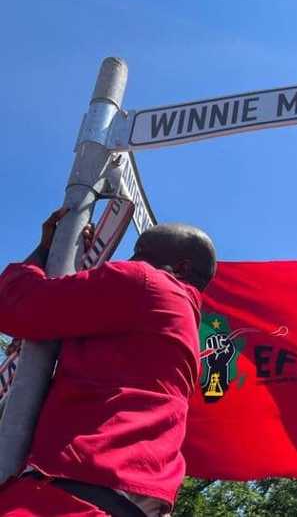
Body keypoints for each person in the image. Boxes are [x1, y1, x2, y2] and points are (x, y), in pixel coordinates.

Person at [0, 209, 216, 516]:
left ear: (180, 267)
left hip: (74, 492)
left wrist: (46, 249)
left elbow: (18, 303)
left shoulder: (145, 283)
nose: (129, 260)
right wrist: (81, 268)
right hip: (128, 496)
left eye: (142, 254)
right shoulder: (180, 319)